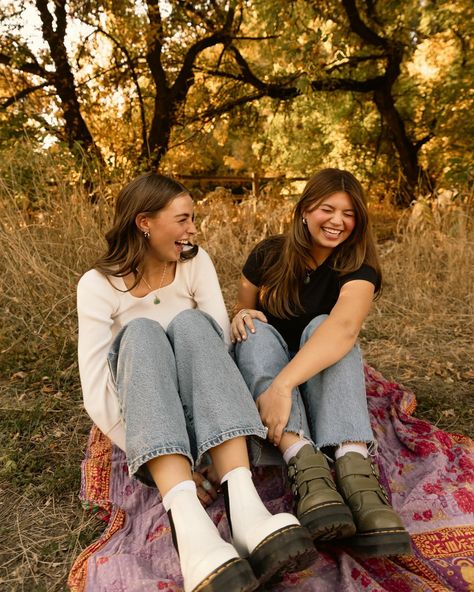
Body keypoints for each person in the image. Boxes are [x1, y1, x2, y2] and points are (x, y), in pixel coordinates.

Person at [76, 172, 317, 592]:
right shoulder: (98, 286)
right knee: (142, 333)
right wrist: (158, 456)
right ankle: (189, 526)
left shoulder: (194, 262)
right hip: (151, 422)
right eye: (183, 219)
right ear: (144, 222)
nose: (193, 229)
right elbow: (97, 393)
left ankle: (247, 508)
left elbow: (217, 351)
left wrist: (209, 438)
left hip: (213, 414)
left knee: (191, 323)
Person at [231, 168, 411, 558]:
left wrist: (283, 386)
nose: (338, 221)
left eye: (349, 214)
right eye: (328, 209)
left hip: (323, 373)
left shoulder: (358, 266)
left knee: (322, 326)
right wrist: (240, 316)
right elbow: (242, 310)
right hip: (269, 363)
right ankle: (309, 472)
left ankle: (356, 474)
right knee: (255, 331)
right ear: (304, 210)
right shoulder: (267, 254)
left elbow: (344, 329)